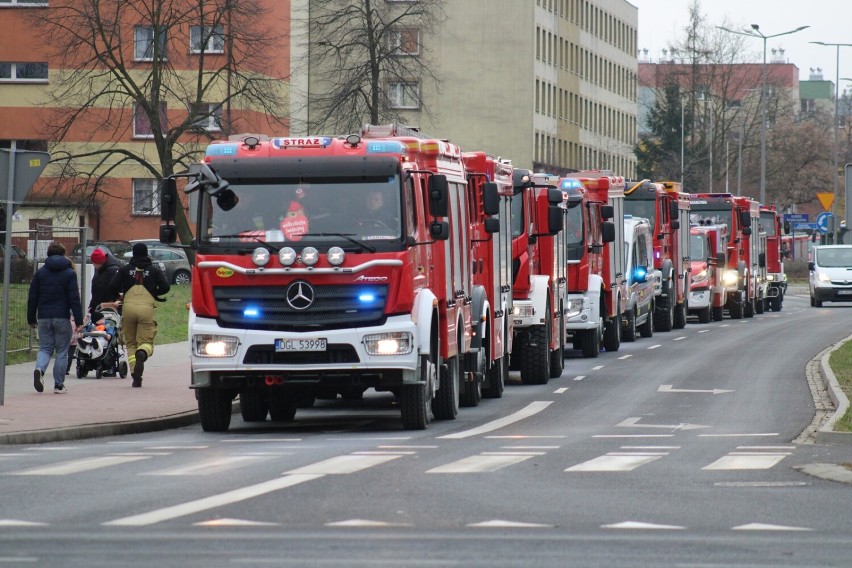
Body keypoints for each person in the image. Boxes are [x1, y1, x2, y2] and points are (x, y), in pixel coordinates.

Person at [108, 243, 170, 387]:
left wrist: (118, 296)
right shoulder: (154, 270)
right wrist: (155, 292)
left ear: (133, 254)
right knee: (146, 342)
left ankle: (136, 375)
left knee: (130, 343)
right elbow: (166, 287)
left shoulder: (124, 270)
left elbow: (111, 286)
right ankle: (142, 353)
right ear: (146, 253)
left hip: (128, 308)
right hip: (146, 309)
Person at [27, 242, 84, 394]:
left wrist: (31, 318)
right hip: (62, 317)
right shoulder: (69, 273)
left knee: (45, 348)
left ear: (48, 254)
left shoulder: (40, 273)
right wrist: (79, 321)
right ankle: (59, 385)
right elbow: (74, 299)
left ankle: (39, 369)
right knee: (62, 352)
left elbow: (32, 297)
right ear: (63, 253)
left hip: (44, 317)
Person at [88, 247, 122, 314]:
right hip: (99, 306)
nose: (93, 265)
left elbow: (113, 288)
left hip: (108, 308)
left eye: (93, 263)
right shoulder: (99, 269)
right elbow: (96, 289)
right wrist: (92, 306)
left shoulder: (113, 270)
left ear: (98, 262)